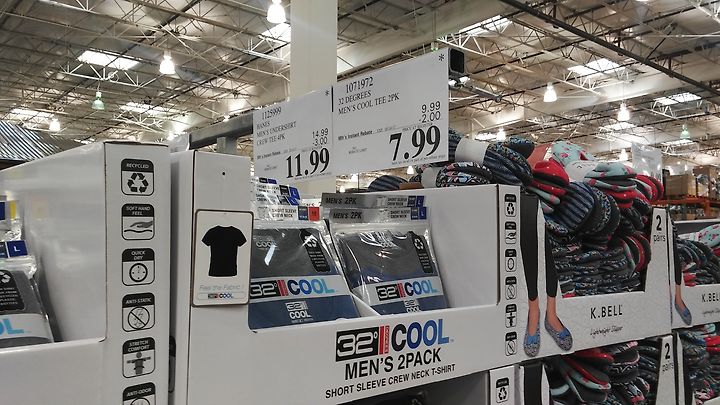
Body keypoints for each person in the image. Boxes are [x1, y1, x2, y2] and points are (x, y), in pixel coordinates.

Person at [520, 194, 572, 357]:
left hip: (545, 189)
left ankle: (551, 313)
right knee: (527, 231)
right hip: (524, 191)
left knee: (551, 245)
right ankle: (534, 311)